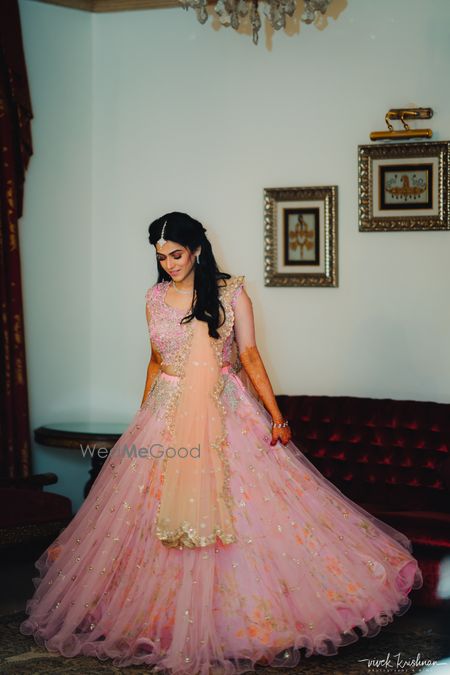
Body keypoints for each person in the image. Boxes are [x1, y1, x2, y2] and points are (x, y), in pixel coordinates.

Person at [20, 211, 423, 673]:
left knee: (246, 509)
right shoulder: (153, 298)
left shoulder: (231, 293)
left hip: (225, 410)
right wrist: (143, 415)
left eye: (176, 254)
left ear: (196, 250)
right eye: (161, 257)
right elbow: (155, 359)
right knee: (146, 517)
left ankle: (244, 619)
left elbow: (249, 355)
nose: (169, 264)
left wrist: (277, 417)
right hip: (167, 413)